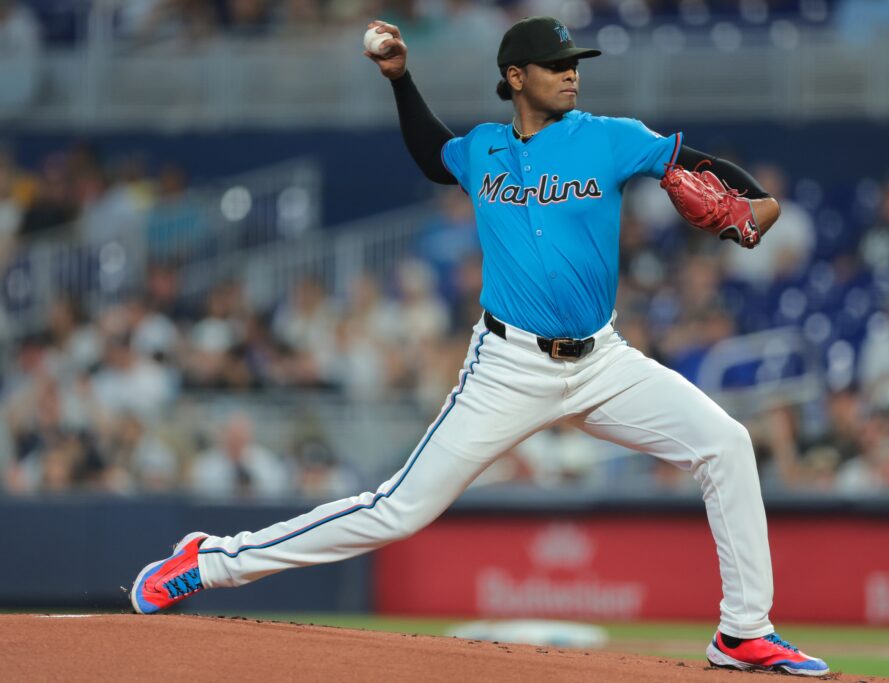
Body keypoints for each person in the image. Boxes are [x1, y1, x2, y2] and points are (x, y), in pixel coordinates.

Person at [130, 16, 827, 677]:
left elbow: (706, 164)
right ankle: (212, 560)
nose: (571, 74)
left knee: (726, 443)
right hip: (508, 365)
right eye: (556, 65)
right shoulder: (484, 149)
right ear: (516, 76)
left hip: (603, 361)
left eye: (575, 64)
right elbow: (433, 152)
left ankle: (743, 630)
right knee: (397, 509)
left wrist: (759, 204)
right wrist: (400, 79)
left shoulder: (611, 137)